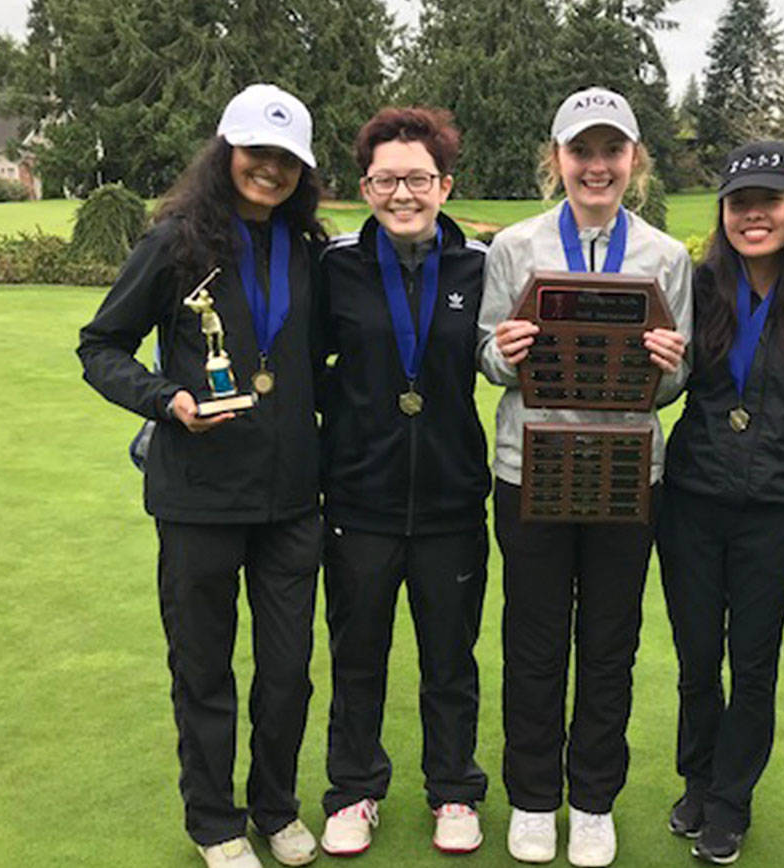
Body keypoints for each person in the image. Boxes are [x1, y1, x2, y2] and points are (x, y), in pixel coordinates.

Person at [77, 84, 326, 868]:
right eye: (257, 152)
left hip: (292, 500)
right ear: (226, 153)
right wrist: (165, 399)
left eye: (287, 159)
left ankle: (276, 807)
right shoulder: (175, 241)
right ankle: (215, 822)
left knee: (287, 673)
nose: (271, 169)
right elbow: (101, 346)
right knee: (204, 671)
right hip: (198, 499)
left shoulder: (311, 248)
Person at [476, 86, 692, 867]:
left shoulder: (666, 256)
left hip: (627, 473)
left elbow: (671, 384)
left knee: (610, 641)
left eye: (611, 151)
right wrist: (508, 349)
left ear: (633, 161)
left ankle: (593, 800)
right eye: (581, 151)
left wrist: (670, 368)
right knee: (533, 640)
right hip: (528, 466)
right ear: (557, 159)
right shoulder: (515, 246)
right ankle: (535, 800)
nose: (595, 166)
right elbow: (487, 358)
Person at [656, 141, 784, 865]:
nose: (754, 215)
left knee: (754, 663)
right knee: (698, 660)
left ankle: (733, 802)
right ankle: (698, 781)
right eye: (739, 202)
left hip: (773, 511)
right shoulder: (699, 286)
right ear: (724, 212)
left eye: (769, 200)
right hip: (693, 502)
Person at [314, 107, 491, 856]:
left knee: (451, 657)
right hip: (361, 498)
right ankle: (354, 790)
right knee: (358, 656)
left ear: (444, 183)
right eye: (386, 179)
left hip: (452, 497)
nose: (403, 193)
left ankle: (454, 790)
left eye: (418, 177)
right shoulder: (338, 266)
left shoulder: (482, 266)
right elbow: (303, 373)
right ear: (365, 186)